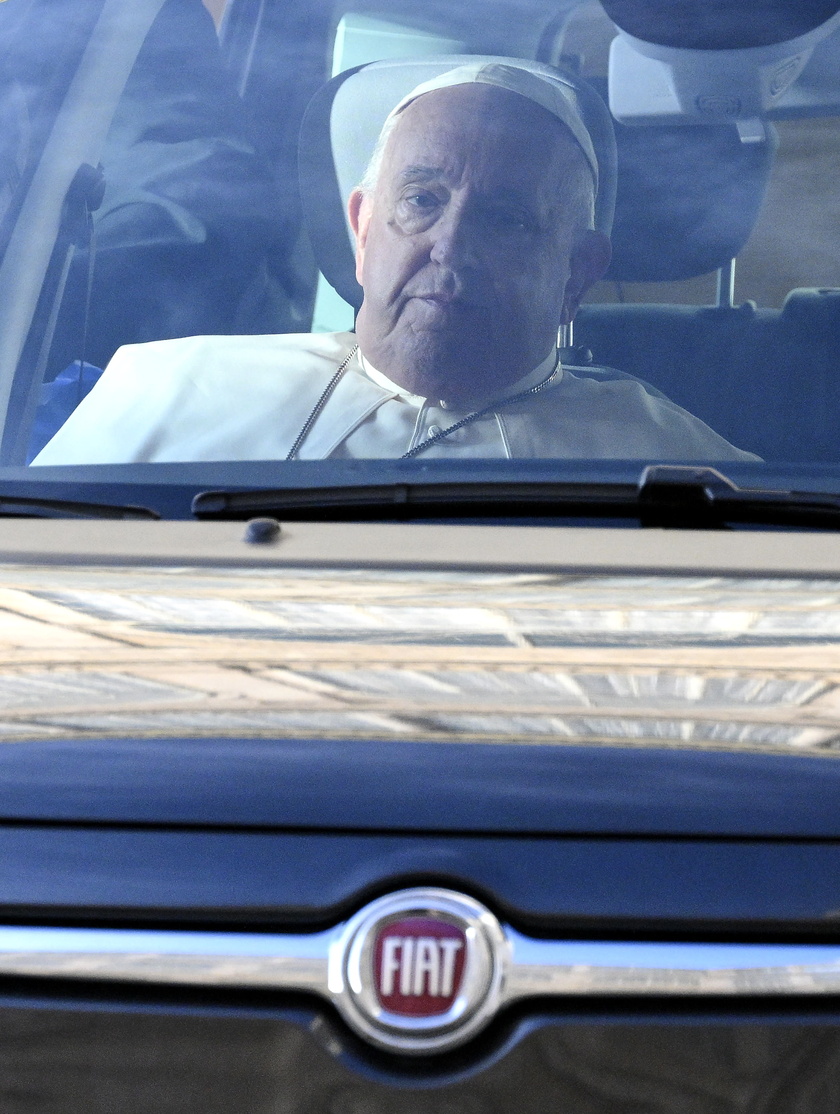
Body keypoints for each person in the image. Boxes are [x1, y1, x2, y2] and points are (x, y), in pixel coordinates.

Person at [32, 62, 757, 464]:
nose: (450, 245)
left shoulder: (685, 469)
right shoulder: (165, 391)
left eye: (504, 218)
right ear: (361, 228)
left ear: (576, 273)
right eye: (421, 199)